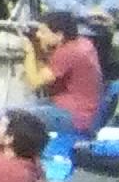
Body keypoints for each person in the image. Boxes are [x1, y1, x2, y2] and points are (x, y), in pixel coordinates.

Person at [19, 9, 108, 137]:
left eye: (43, 32)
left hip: (75, 116)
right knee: (17, 111)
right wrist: (40, 49)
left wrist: (29, 52)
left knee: (8, 119)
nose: (38, 35)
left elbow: (34, 82)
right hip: (82, 109)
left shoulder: (67, 52)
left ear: (59, 35)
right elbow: (48, 69)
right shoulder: (83, 43)